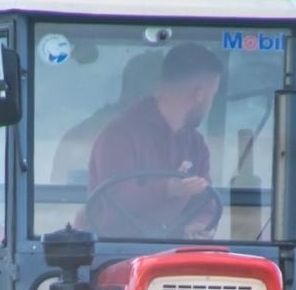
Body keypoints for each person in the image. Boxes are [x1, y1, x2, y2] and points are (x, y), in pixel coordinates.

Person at [83, 42, 223, 238]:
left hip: (172, 256)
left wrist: (197, 224)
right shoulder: (119, 135)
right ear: (199, 94)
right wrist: (168, 189)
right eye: (212, 96)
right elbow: (114, 200)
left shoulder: (195, 144)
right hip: (114, 252)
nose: (209, 104)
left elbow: (206, 201)